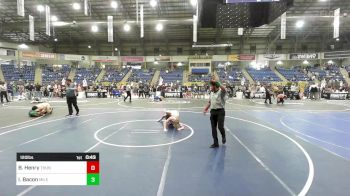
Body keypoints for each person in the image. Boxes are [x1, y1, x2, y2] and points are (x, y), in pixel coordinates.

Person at [203, 79, 227, 148]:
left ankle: (223, 135)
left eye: (211, 86)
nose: (210, 87)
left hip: (220, 111)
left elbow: (224, 90)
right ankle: (215, 143)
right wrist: (205, 109)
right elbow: (210, 102)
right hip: (213, 112)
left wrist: (217, 83)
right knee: (213, 128)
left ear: (215, 86)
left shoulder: (220, 92)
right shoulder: (211, 93)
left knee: (220, 126)